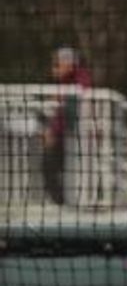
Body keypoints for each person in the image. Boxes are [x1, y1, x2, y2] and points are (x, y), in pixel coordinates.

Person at [41, 46, 91, 206]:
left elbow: (68, 113)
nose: (54, 69)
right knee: (50, 166)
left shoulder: (80, 79)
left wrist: (53, 132)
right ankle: (61, 201)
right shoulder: (65, 82)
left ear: (68, 64)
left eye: (57, 64)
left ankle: (65, 202)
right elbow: (59, 111)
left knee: (51, 164)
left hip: (79, 137)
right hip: (66, 136)